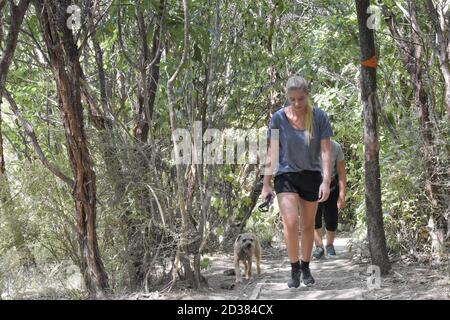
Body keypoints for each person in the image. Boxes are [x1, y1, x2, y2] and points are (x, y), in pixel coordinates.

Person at [261, 75, 333, 288]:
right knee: (291, 223)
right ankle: (294, 269)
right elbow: (271, 152)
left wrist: (326, 181)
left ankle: (306, 266)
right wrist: (266, 184)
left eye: (300, 99)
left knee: (308, 224)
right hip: (286, 175)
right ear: (287, 97)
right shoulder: (278, 118)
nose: (297, 103)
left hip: (312, 175)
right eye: (292, 99)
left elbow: (326, 151)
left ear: (307, 95)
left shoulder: (319, 117)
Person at [312, 140, 346, 259]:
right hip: (313, 188)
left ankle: (330, 245)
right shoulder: (308, 145)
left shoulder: (335, 147)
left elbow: (341, 173)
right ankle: (319, 247)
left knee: (331, 217)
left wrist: (342, 195)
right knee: (315, 217)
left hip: (332, 188)